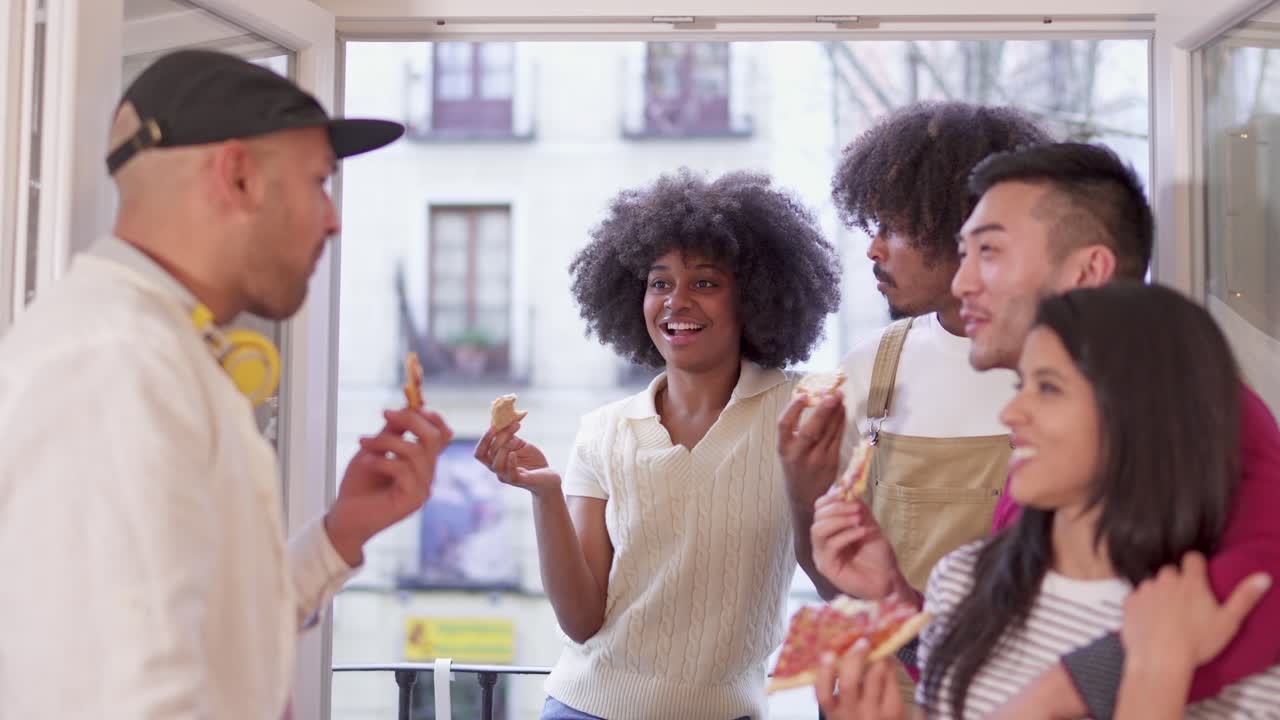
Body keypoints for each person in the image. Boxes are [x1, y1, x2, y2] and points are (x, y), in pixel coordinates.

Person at [0, 50, 452, 719]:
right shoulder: (115, 365)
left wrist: (342, 532)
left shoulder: (154, 349)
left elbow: (215, 640)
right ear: (237, 177)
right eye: (319, 181)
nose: (333, 219)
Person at [811, 142, 1280, 718]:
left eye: (988, 252)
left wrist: (1064, 691)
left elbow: (1265, 582)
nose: (960, 285)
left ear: (1087, 272)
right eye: (963, 254)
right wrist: (898, 603)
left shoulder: (1211, 425)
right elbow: (980, 679)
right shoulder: (1032, 487)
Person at [474, 169, 841, 719]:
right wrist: (546, 495)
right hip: (585, 708)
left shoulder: (805, 412)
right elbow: (581, 620)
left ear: (755, 297)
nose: (676, 302)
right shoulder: (604, 431)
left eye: (706, 283)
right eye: (660, 283)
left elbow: (841, 585)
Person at [780, 102, 1051, 608]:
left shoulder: (1068, 376)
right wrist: (804, 492)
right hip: (889, 683)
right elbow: (833, 585)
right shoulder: (868, 372)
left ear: (967, 227)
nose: (873, 250)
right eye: (872, 225)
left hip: (1031, 686)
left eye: (893, 227)